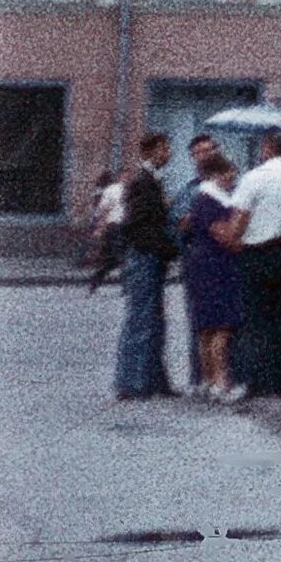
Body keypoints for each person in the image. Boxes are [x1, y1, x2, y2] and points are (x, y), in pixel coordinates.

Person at [223, 128, 281, 396]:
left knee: (256, 319)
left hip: (257, 251)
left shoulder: (255, 177)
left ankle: (258, 380)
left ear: (267, 148)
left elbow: (238, 221)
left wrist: (229, 237)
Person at [177, 141, 247, 404]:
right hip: (216, 267)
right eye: (230, 174)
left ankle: (207, 381)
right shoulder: (210, 201)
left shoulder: (202, 198)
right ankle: (222, 383)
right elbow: (225, 236)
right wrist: (244, 239)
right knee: (221, 327)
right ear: (217, 174)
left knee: (206, 328)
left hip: (202, 266)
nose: (233, 179)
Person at [111, 133, 178, 401]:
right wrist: (164, 248)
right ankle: (131, 382)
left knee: (154, 320)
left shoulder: (151, 181)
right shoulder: (142, 182)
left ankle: (152, 379)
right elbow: (136, 225)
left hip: (150, 257)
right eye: (165, 149)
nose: (169, 154)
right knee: (140, 320)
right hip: (144, 257)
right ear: (152, 151)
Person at [84, 171, 123, 290]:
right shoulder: (111, 190)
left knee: (116, 256)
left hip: (123, 226)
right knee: (117, 257)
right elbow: (101, 210)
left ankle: (98, 278)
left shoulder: (131, 189)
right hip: (114, 226)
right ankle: (98, 277)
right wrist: (99, 226)